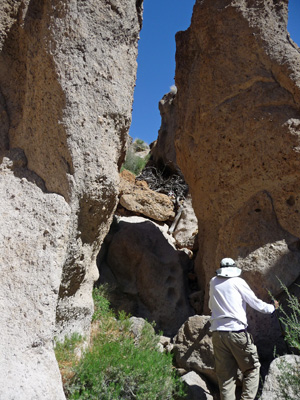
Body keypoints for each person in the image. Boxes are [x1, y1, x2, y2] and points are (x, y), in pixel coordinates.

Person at [208, 257, 279, 400]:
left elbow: (211, 305)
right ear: (234, 268)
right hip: (236, 333)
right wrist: (272, 307)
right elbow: (256, 303)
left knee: (226, 378)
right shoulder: (238, 282)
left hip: (217, 334)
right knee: (252, 368)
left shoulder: (213, 282)